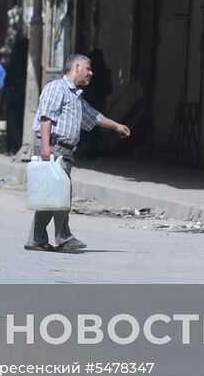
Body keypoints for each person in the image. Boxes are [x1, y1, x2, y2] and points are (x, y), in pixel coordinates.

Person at [27, 54, 131, 252]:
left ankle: (37, 238)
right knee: (61, 194)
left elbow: (93, 116)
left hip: (64, 150)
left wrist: (117, 126)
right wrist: (46, 147)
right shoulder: (57, 88)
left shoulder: (75, 95)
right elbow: (45, 118)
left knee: (52, 195)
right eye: (88, 69)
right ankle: (63, 238)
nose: (91, 73)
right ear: (77, 67)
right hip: (54, 147)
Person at [77, 48, 113, 161]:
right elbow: (109, 89)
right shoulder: (105, 71)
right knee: (95, 127)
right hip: (98, 102)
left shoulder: (86, 71)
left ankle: (80, 150)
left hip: (85, 100)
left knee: (82, 127)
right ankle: (91, 153)